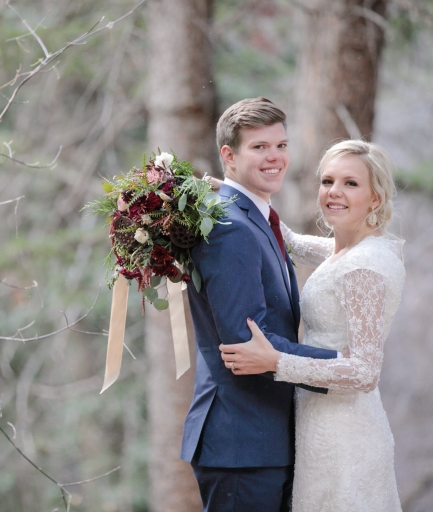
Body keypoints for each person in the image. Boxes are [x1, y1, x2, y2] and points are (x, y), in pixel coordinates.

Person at [218, 139, 405, 511]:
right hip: (318, 422)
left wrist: (275, 362)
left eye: (351, 184)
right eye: (327, 181)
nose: (334, 193)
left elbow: (366, 372)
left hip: (344, 433)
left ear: (376, 199)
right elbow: (288, 241)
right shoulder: (346, 250)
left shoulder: (364, 265)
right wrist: (228, 189)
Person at [180, 97, 341, 512]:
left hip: (261, 441)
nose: (275, 158)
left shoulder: (255, 219)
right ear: (228, 156)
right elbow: (247, 343)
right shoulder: (231, 228)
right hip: (241, 445)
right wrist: (338, 366)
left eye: (281, 146)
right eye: (260, 147)